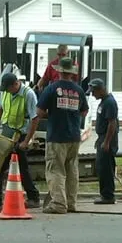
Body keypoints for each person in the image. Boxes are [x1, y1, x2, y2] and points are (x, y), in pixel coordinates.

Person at [21, 56, 88, 214]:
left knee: (55, 169)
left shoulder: (51, 89)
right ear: (72, 73)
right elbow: (84, 111)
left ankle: (58, 204)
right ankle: (71, 203)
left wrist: (54, 112)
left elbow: (39, 112)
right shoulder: (78, 90)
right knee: (71, 170)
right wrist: (71, 113)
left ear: (59, 71)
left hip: (57, 136)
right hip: (74, 137)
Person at [0, 72, 40, 208]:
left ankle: (33, 197)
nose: (7, 92)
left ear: (15, 84)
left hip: (19, 136)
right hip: (5, 134)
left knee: (22, 168)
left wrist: (26, 141)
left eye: (8, 88)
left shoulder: (28, 94)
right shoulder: (5, 92)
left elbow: (34, 119)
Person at [90, 78, 119, 204]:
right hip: (102, 137)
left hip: (108, 138)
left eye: (94, 91)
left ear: (101, 89)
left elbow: (112, 124)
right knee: (101, 167)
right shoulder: (103, 102)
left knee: (106, 168)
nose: (92, 94)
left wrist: (106, 142)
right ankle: (104, 194)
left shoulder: (110, 102)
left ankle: (108, 196)